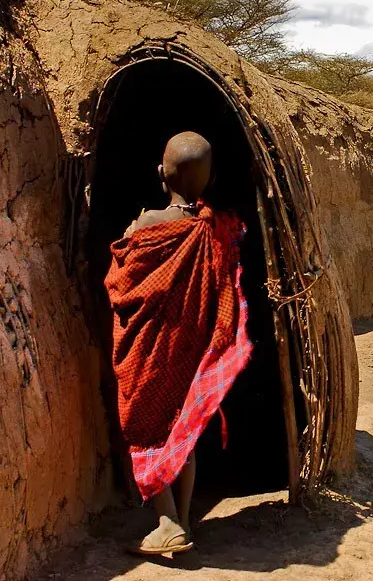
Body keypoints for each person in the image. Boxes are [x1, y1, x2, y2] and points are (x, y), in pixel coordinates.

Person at [104, 131, 252, 556]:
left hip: (148, 352)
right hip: (191, 348)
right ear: (211, 178)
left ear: (159, 174)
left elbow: (121, 283)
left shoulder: (146, 226)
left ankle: (167, 522)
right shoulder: (217, 228)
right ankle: (183, 521)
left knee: (145, 429)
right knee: (181, 430)